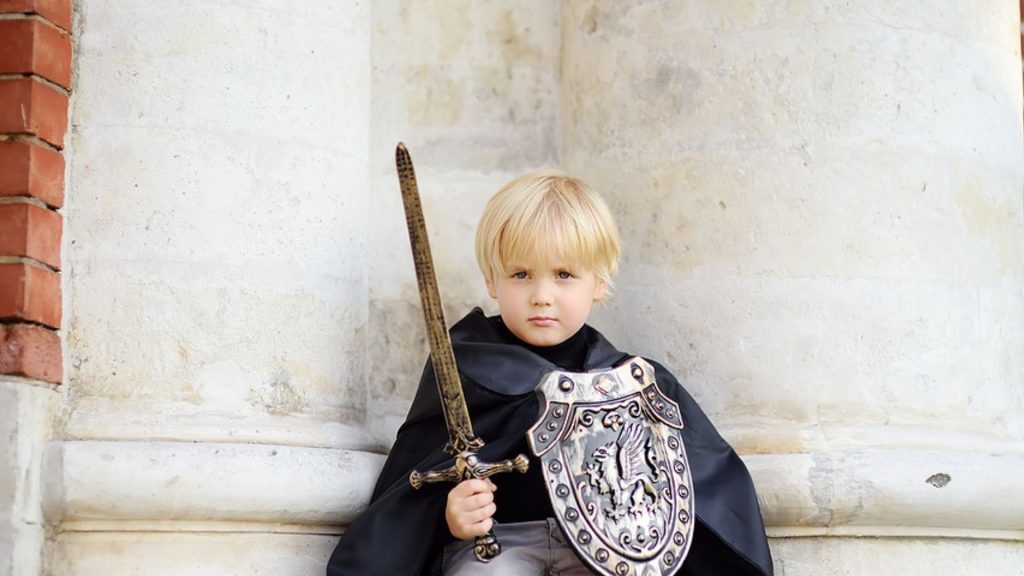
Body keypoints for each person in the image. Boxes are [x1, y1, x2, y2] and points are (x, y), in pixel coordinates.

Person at [327, 171, 773, 576]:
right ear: (491, 280)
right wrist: (446, 516)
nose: (542, 295)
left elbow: (710, 494)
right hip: (498, 549)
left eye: (564, 274)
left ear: (598, 283)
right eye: (521, 274)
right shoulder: (464, 374)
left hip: (607, 554)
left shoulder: (636, 383)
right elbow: (411, 484)